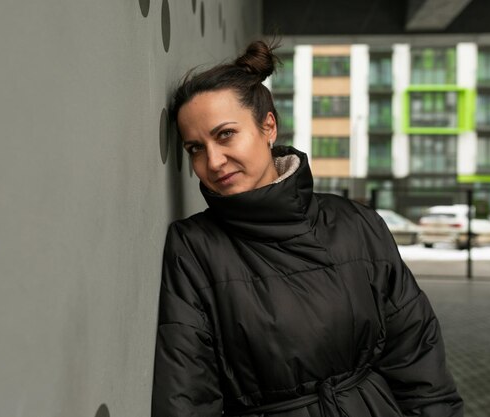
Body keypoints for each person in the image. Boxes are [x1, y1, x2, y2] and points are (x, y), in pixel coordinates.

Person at [151, 40, 463, 417]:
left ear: (268, 127)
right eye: (195, 149)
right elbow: (187, 397)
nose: (213, 161)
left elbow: (418, 359)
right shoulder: (193, 247)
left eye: (225, 134)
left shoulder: (356, 222)